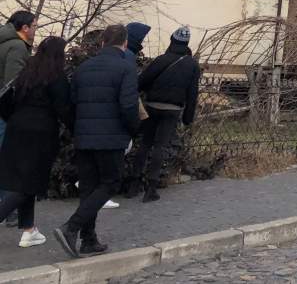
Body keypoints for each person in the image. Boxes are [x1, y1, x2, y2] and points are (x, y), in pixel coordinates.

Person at [54, 24, 139, 259]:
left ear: (102, 42)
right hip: (111, 137)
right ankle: (71, 227)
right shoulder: (126, 68)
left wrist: (78, 129)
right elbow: (129, 106)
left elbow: (72, 104)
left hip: (84, 136)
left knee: (89, 188)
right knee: (110, 184)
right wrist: (133, 131)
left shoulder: (84, 68)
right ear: (124, 43)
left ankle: (89, 240)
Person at [0, 36, 72, 247]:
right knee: (26, 184)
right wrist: (76, 129)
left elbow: (6, 100)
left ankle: (29, 230)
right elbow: (64, 109)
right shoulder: (57, 77)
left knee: (24, 181)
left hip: (16, 129)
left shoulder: (26, 73)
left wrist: (13, 119)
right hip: (40, 133)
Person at [127, 26, 201, 202]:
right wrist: (188, 117)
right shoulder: (192, 65)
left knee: (145, 144)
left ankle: (133, 184)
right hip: (173, 110)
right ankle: (151, 188)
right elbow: (192, 93)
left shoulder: (161, 59)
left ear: (172, 40)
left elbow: (142, 81)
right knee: (161, 146)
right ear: (187, 43)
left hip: (152, 106)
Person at [0, 11, 36, 227]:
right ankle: (7, 206)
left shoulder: (6, 42)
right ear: (24, 28)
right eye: (34, 25)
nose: (35, 29)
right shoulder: (17, 47)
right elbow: (14, 84)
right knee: (7, 157)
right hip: (4, 111)